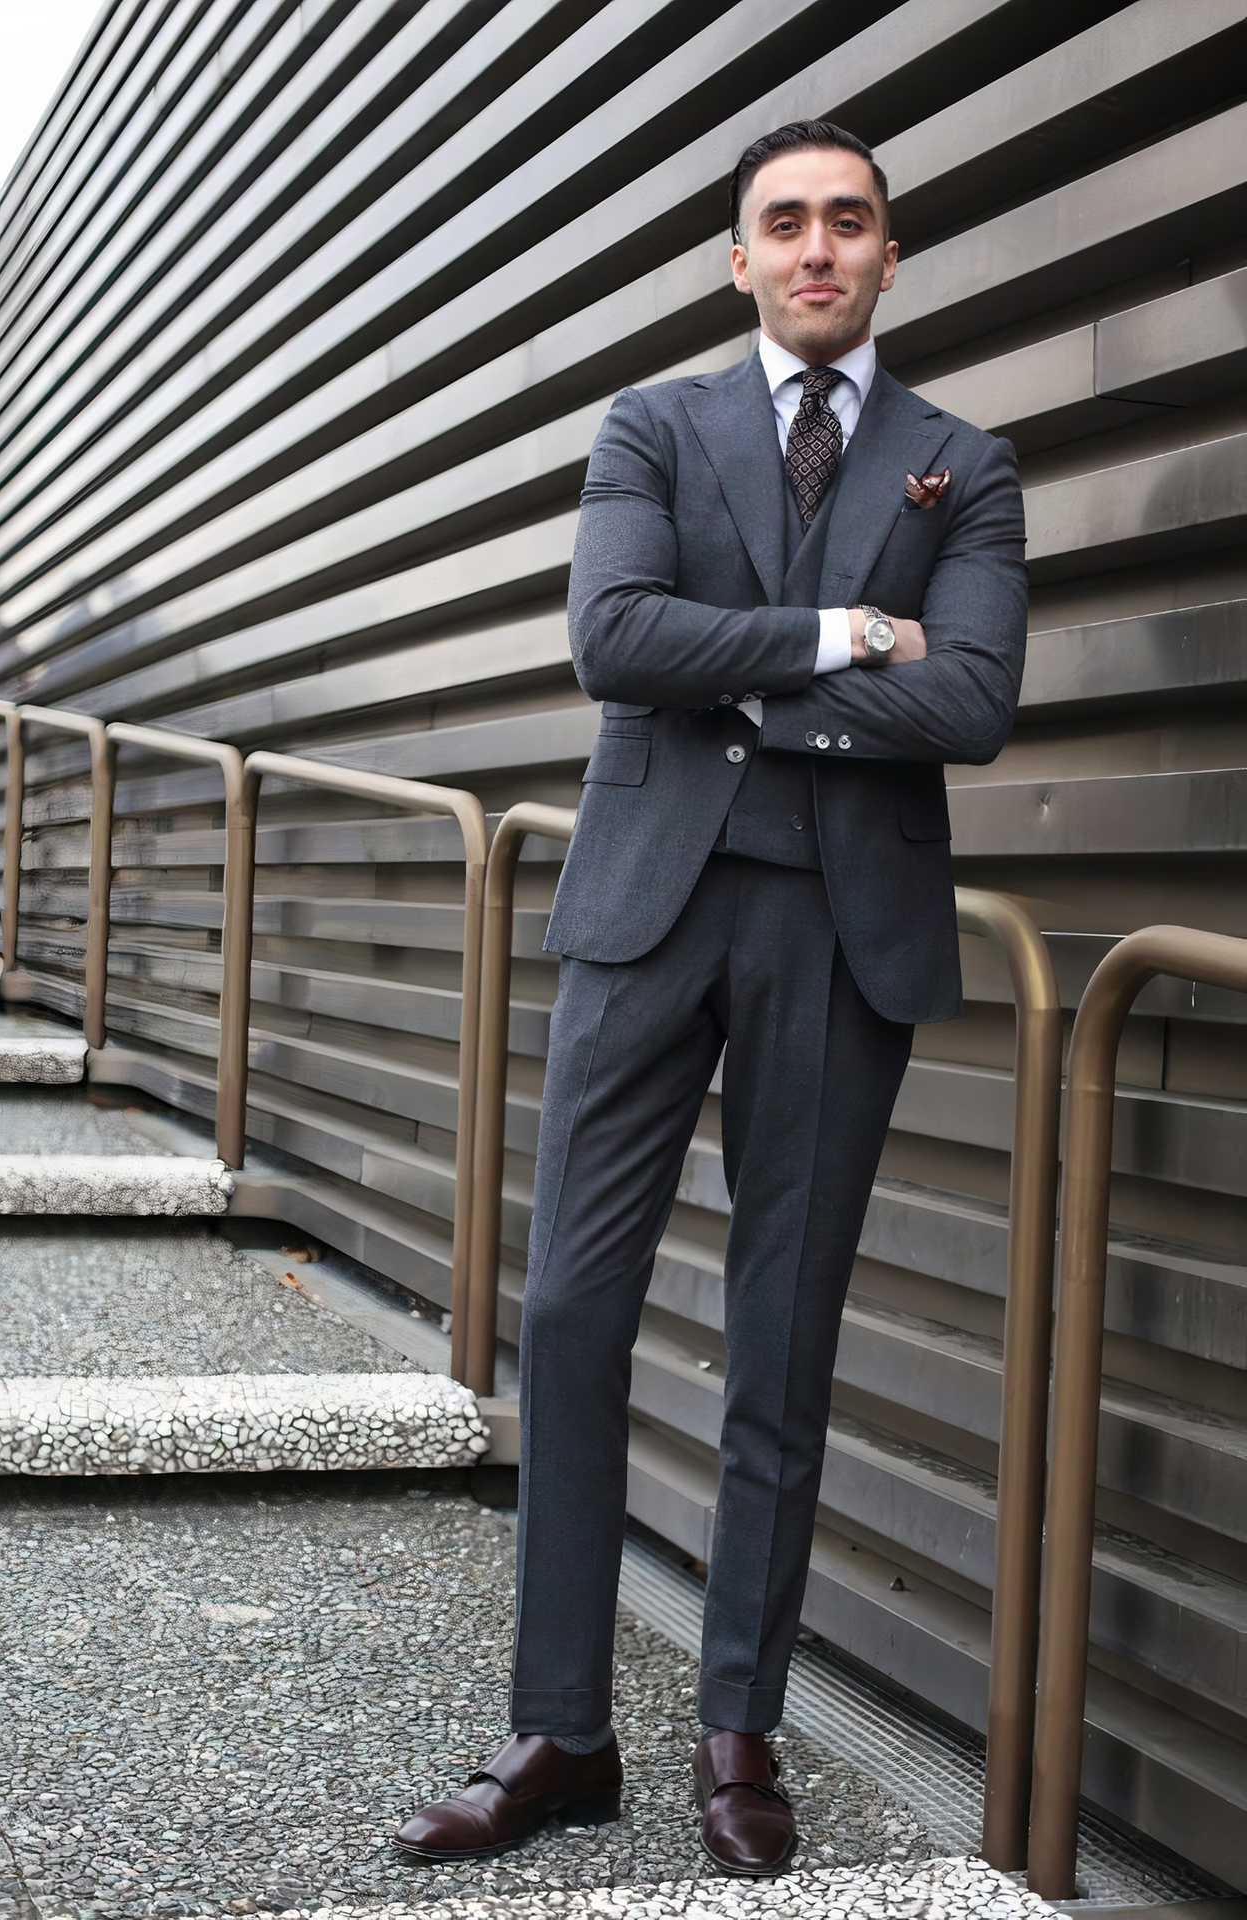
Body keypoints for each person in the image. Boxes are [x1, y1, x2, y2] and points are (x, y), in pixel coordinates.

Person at [395, 118, 1027, 1877]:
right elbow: (616, 640)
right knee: (578, 1310)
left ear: (892, 256)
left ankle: (740, 1733)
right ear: (734, 259)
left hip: (843, 932)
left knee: (781, 1344)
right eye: (784, 225)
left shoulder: (964, 465)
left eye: (851, 222)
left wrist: (739, 678)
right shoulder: (650, 425)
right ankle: (562, 1731)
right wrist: (838, 643)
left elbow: (974, 701)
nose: (818, 247)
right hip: (650, 910)